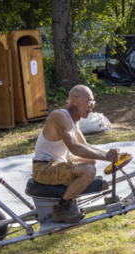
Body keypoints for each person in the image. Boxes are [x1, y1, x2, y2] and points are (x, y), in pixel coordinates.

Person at [32, 84, 126, 223]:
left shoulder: (74, 120)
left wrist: (108, 154)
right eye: (88, 101)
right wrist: (107, 156)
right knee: (89, 170)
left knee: (90, 162)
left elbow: (85, 146)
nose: (92, 106)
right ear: (74, 100)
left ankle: (73, 197)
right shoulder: (60, 116)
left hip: (56, 163)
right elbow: (75, 148)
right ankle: (62, 208)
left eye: (93, 102)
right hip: (43, 169)